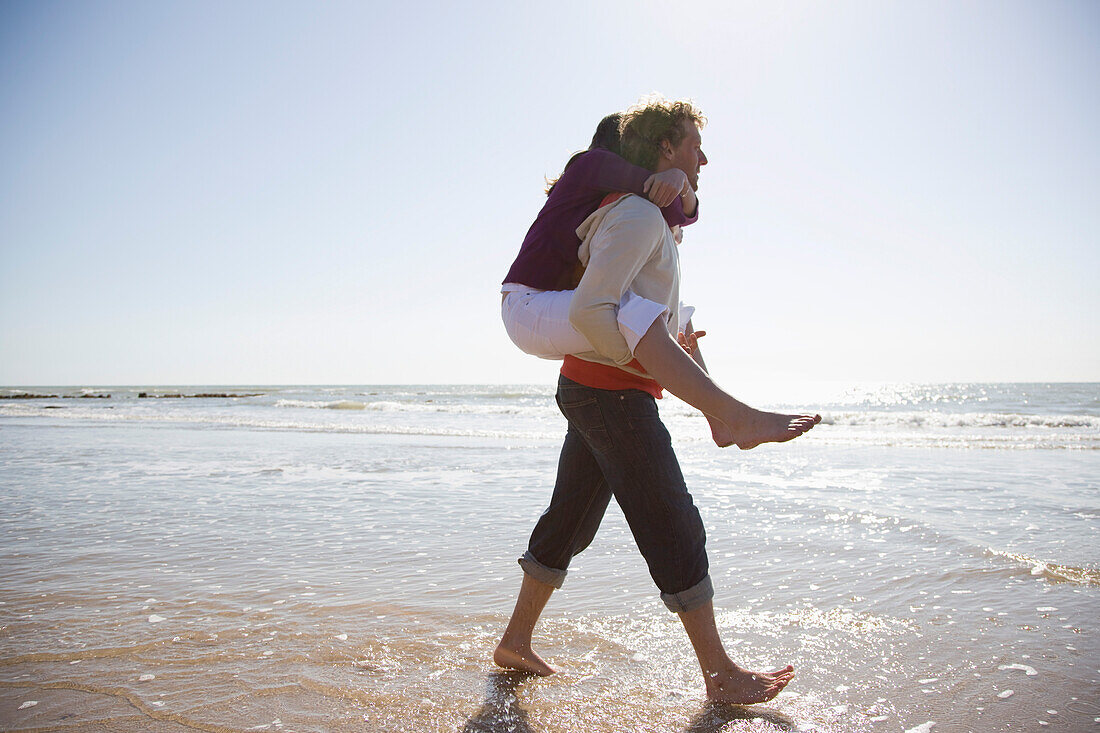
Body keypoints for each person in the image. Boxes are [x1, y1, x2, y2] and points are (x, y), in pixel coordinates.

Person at [494, 98, 816, 705]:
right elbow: (607, 310)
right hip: (608, 392)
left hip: (597, 388)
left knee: (569, 521)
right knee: (670, 519)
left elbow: (657, 319)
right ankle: (719, 672)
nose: (703, 157)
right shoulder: (632, 212)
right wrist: (722, 409)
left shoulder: (650, 221)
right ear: (663, 149)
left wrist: (683, 346)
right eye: (693, 143)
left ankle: (514, 641)